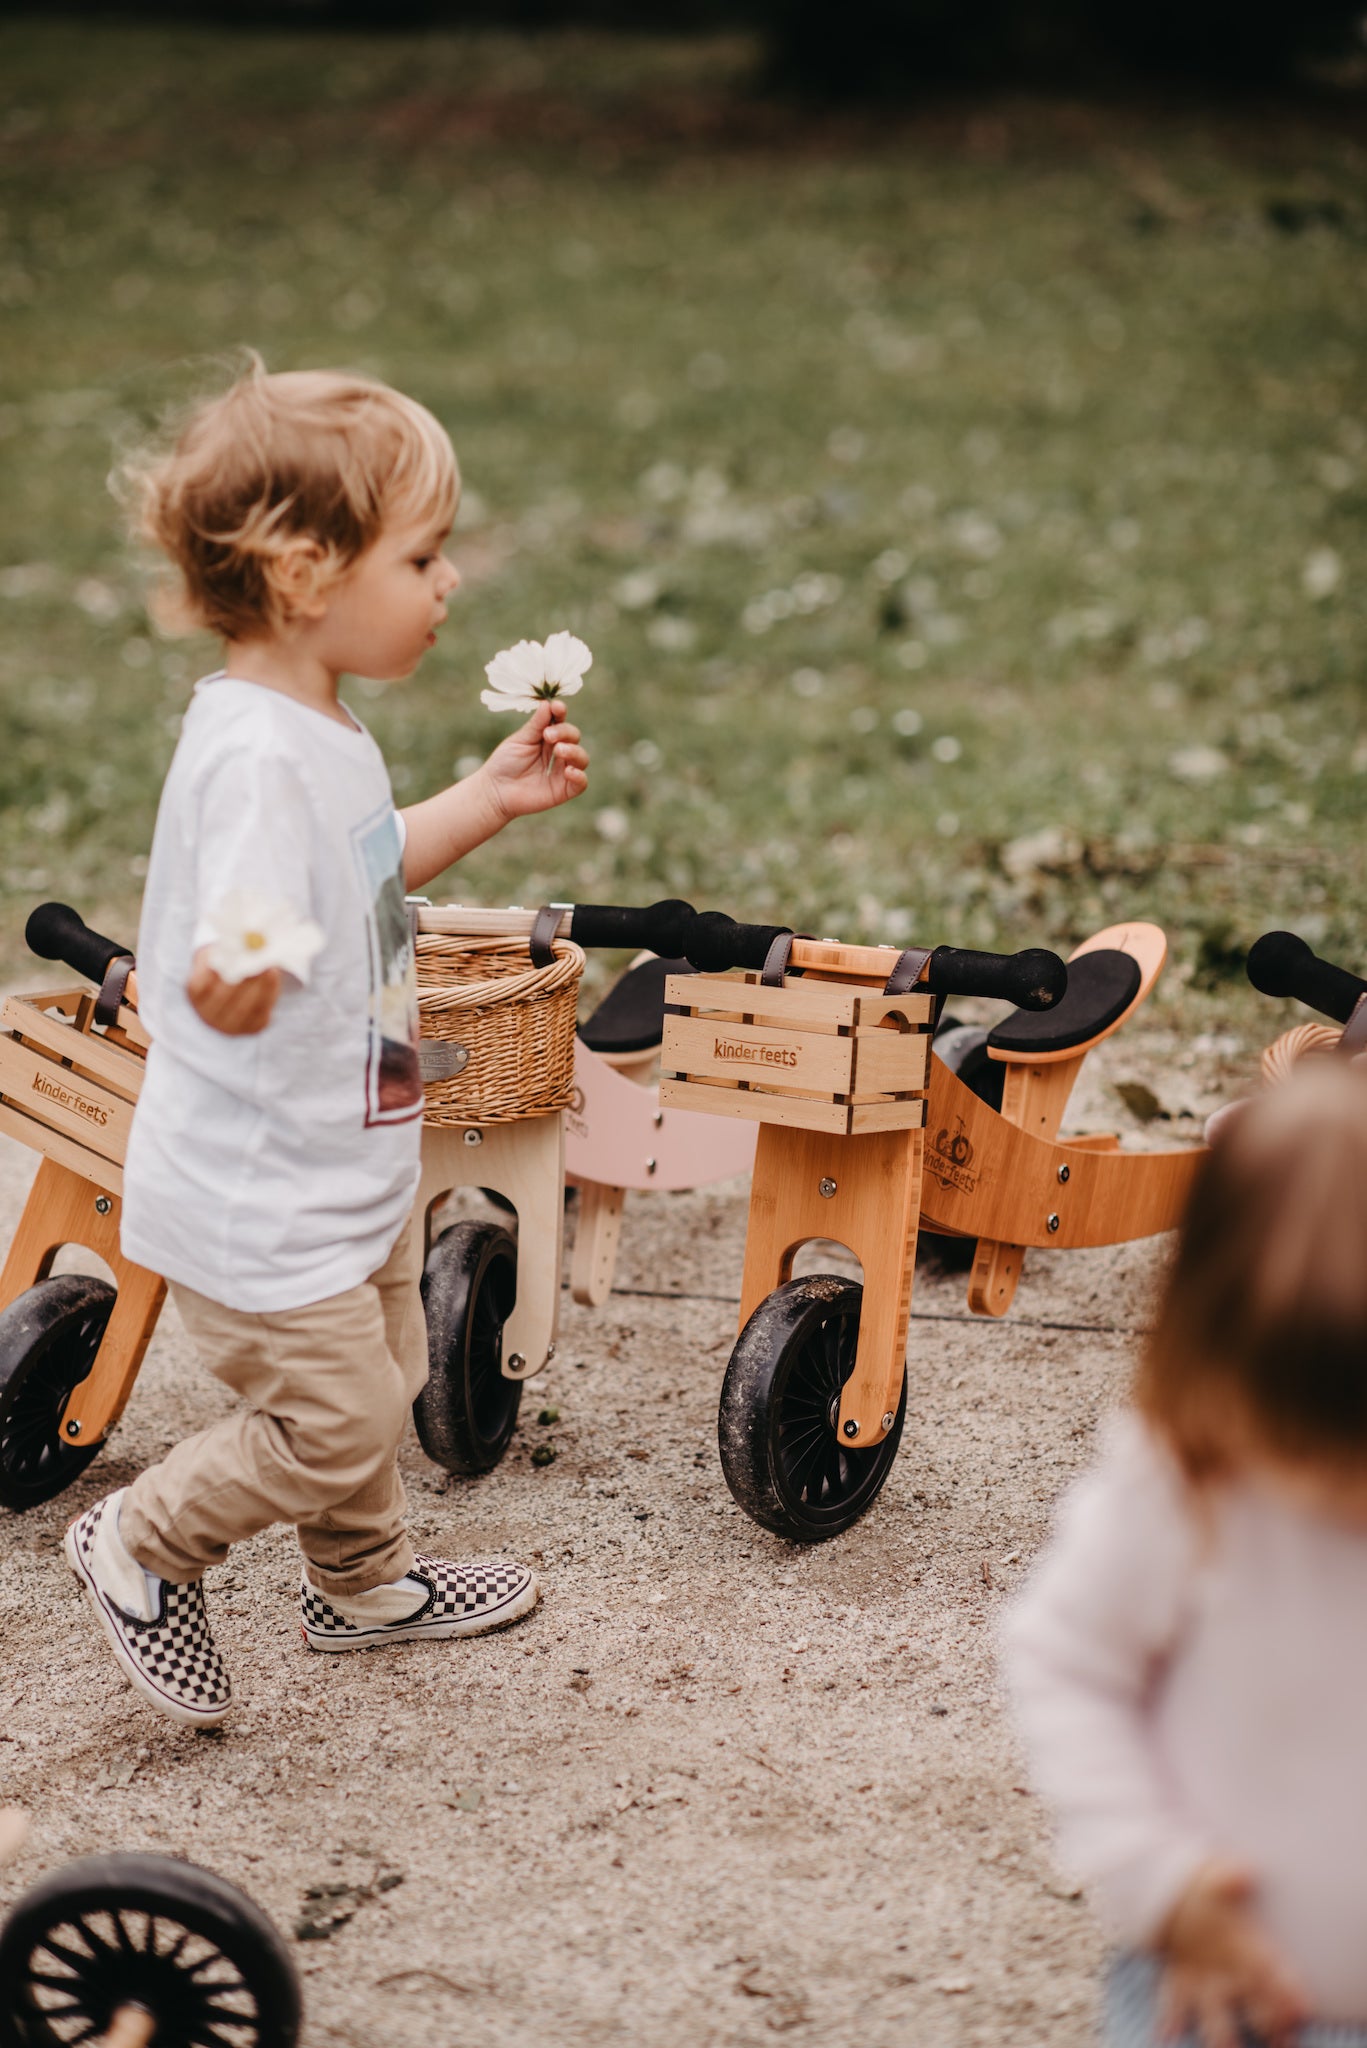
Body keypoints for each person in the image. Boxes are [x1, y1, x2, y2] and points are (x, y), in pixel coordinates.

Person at [65, 362, 589, 1728]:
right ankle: (141, 1541)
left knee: (382, 1374)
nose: (447, 581)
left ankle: (361, 1586)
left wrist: (484, 798)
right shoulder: (255, 758)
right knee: (335, 1419)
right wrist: (242, 979)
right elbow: (230, 961)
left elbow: (360, 869)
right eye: (421, 557)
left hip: (338, 1159)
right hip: (258, 1198)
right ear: (305, 574)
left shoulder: (315, 729)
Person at [1004, 1061, 1367, 2048]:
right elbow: (1062, 1661)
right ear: (1213, 1350)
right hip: (1220, 1998)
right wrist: (1157, 1878)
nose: (1340, 1478)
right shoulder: (1179, 1482)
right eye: (1309, 1428)